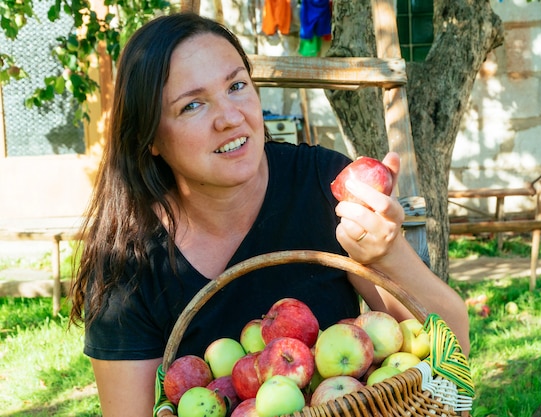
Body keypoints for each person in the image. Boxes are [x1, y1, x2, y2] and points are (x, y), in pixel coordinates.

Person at [68, 12, 469, 417]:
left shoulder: (321, 185)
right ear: (150, 137)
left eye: (237, 85)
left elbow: (454, 354)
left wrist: (386, 255)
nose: (229, 117)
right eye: (192, 105)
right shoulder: (129, 261)